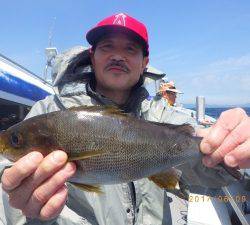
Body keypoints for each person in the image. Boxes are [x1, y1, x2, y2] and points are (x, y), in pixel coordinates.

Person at [1, 12, 250, 225]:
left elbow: (210, 170)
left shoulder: (164, 115)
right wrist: (28, 206)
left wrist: (234, 147)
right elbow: (9, 179)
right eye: (107, 46)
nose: (118, 56)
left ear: (145, 63)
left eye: (130, 49)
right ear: (92, 56)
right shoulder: (47, 111)